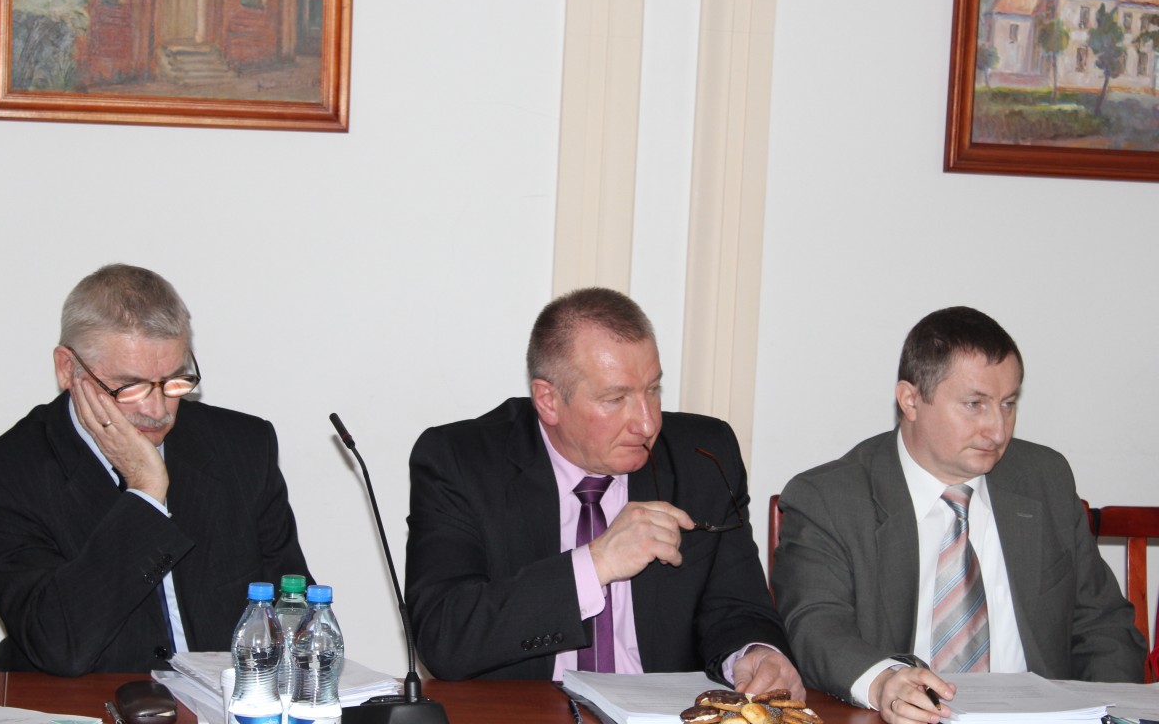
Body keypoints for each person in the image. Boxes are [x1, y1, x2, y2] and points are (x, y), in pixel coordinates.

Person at [405, 287, 801, 695]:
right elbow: (443, 637)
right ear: (548, 401)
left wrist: (755, 653)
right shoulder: (462, 462)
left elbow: (737, 607)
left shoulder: (703, 457)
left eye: (653, 390)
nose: (647, 424)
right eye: (616, 398)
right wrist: (596, 564)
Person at [771, 306, 1145, 724]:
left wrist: (1107, 715)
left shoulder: (1044, 479)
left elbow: (1102, 625)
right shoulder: (831, 498)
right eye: (974, 404)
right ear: (911, 400)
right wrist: (884, 681)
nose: (998, 430)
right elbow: (816, 626)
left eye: (1008, 404)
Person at [0, 264, 311, 675]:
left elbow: (294, 609)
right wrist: (145, 493)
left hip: (225, 699)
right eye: (129, 387)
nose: (157, 410)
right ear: (67, 369)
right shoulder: (2, 476)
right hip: (77, 701)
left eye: (175, 381)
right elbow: (59, 645)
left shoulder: (243, 447)